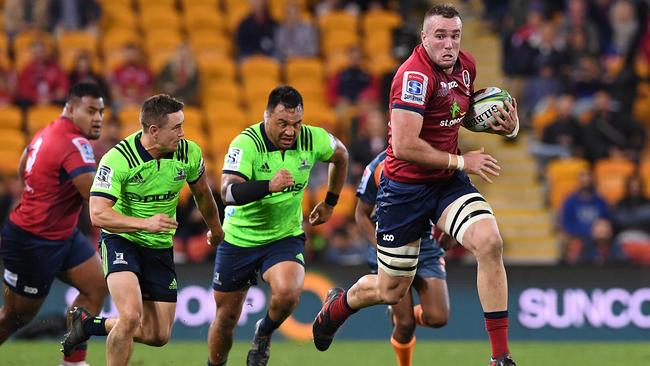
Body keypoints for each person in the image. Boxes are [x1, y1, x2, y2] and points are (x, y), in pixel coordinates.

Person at [312, 5, 520, 366]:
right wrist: (462, 161)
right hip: (404, 190)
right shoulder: (412, 76)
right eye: (440, 35)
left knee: (489, 242)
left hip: (446, 184)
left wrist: (507, 127)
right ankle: (337, 308)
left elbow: (458, 113)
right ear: (424, 38)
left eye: (454, 35)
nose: (449, 44)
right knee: (390, 289)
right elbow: (406, 145)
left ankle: (500, 358)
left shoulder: (466, 66)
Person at [60, 94, 225, 366]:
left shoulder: (189, 153)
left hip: (159, 246)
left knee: (159, 334)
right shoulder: (118, 159)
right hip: (122, 241)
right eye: (176, 128)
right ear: (153, 131)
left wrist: (215, 230)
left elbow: (203, 195)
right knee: (130, 318)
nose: (182, 134)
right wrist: (144, 223)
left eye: (182, 126)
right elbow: (97, 213)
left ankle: (88, 325)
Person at [207, 85, 349, 366]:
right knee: (226, 319)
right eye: (282, 123)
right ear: (266, 116)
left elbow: (341, 155)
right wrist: (268, 186)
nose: (290, 131)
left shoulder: (312, 138)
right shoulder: (246, 143)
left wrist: (330, 202)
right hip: (240, 239)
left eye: (296, 124)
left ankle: (264, 331)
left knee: (287, 294)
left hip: (284, 236)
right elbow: (228, 193)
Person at [0, 82, 107, 366]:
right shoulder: (75, 143)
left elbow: (24, 165)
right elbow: (93, 196)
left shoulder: (48, 130)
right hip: (32, 241)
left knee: (96, 287)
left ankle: (73, 362)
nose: (98, 118)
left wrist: (44, 194)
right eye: (91, 110)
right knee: (14, 318)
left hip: (62, 235)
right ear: (72, 109)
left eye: (101, 111)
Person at [356, 150, 450, 366]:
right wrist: (381, 249)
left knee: (438, 318)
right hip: (391, 242)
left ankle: (400, 312)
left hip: (425, 244)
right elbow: (361, 214)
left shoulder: (439, 159)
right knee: (405, 324)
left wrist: (451, 232)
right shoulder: (377, 167)